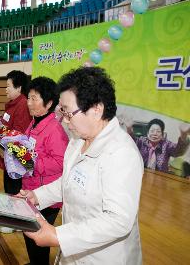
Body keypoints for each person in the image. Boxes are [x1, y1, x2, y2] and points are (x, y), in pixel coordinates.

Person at [20, 67, 144, 264]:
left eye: (68, 113)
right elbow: (69, 182)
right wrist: (37, 196)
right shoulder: (78, 140)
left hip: (104, 258)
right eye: (62, 112)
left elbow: (118, 220)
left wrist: (59, 236)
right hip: (74, 253)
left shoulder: (121, 153)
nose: (64, 120)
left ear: (96, 109)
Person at [22, 77, 69, 265]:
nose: (29, 102)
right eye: (28, 97)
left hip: (48, 195)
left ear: (49, 103)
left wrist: (31, 163)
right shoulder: (34, 123)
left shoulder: (55, 129)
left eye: (34, 98)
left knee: (38, 236)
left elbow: (60, 162)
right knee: (30, 233)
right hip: (32, 187)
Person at [0, 70, 32, 233]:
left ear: (19, 88)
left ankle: (15, 222)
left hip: (15, 157)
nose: (5, 89)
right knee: (9, 186)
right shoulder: (12, 104)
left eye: (8, 86)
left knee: (15, 188)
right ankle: (13, 220)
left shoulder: (22, 104)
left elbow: (19, 134)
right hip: (7, 153)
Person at [125, 118, 190, 173]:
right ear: (147, 133)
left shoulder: (166, 144)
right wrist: (129, 128)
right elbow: (131, 142)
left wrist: (183, 135)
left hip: (161, 178)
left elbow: (178, 151)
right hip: (141, 174)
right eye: (152, 131)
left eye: (158, 131)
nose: (155, 134)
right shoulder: (142, 141)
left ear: (162, 135)